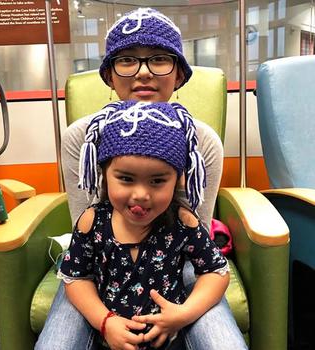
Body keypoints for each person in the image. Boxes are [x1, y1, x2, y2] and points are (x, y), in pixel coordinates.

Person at [35, 7, 247, 350]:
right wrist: (105, 319)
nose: (143, 73)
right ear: (109, 75)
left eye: (159, 59)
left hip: (180, 258)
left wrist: (183, 311)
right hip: (100, 262)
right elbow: (83, 235)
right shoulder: (82, 139)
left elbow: (200, 235)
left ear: (178, 73)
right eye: (127, 60)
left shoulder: (201, 141)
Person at [57, 100, 230, 350]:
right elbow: (76, 278)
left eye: (157, 181)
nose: (140, 194)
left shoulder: (183, 223)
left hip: (171, 340)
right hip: (108, 341)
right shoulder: (92, 222)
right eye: (126, 178)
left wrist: (183, 315)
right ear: (104, 174)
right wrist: (105, 322)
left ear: (178, 179)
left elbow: (216, 272)